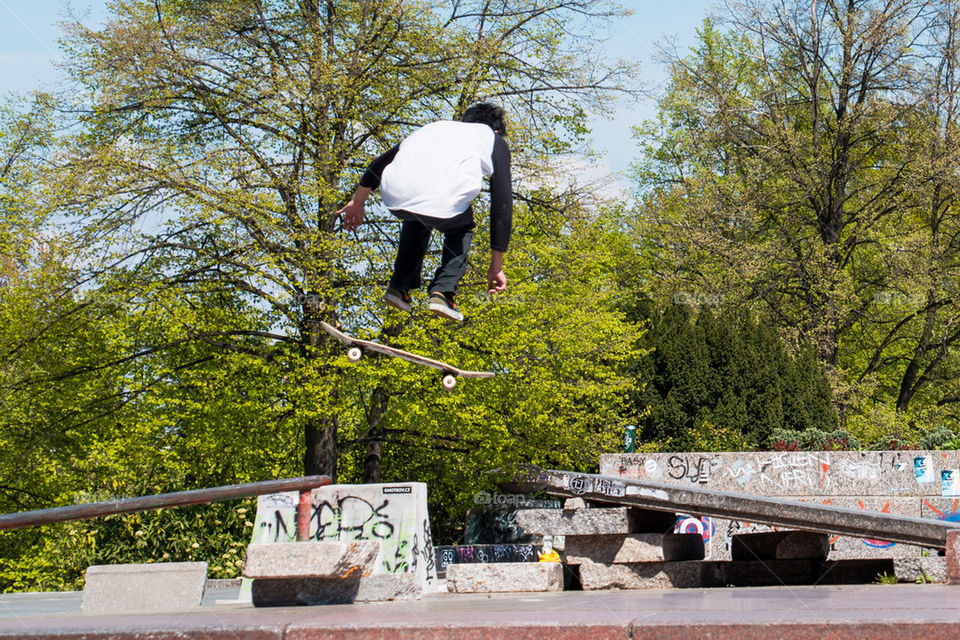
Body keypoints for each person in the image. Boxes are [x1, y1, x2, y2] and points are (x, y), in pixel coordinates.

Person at [337, 102, 512, 322]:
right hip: (436, 201)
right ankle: (443, 292)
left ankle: (399, 287)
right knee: (461, 226)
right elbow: (502, 202)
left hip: (396, 195)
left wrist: (357, 202)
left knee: (419, 213)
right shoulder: (491, 139)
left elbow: (379, 163)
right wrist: (496, 265)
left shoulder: (435, 128)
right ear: (496, 130)